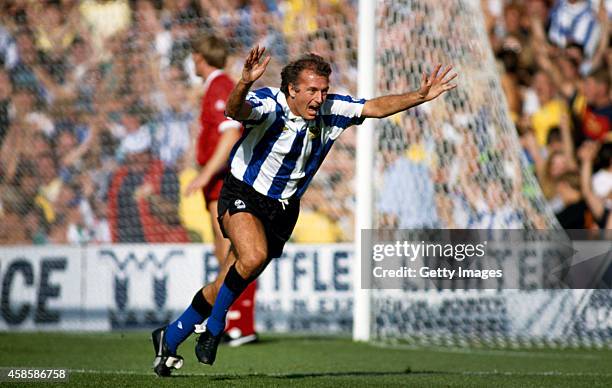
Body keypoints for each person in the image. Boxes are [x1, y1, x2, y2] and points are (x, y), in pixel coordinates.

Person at [152, 46, 457, 376]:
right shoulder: (270, 104)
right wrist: (243, 83)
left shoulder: (332, 110)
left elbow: (375, 107)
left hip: (283, 209)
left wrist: (420, 96)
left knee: (227, 280)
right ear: (292, 90)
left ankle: (170, 336)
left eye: (323, 90)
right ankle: (214, 328)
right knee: (253, 256)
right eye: (312, 90)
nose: (319, 97)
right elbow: (235, 109)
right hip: (243, 192)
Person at [184, 35, 258, 346]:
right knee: (229, 254)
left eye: (193, 57)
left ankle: (241, 324)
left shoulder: (219, 86)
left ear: (200, 57)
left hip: (224, 182)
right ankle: (230, 322)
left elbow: (229, 136)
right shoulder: (215, 86)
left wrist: (204, 174)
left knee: (238, 254)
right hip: (218, 182)